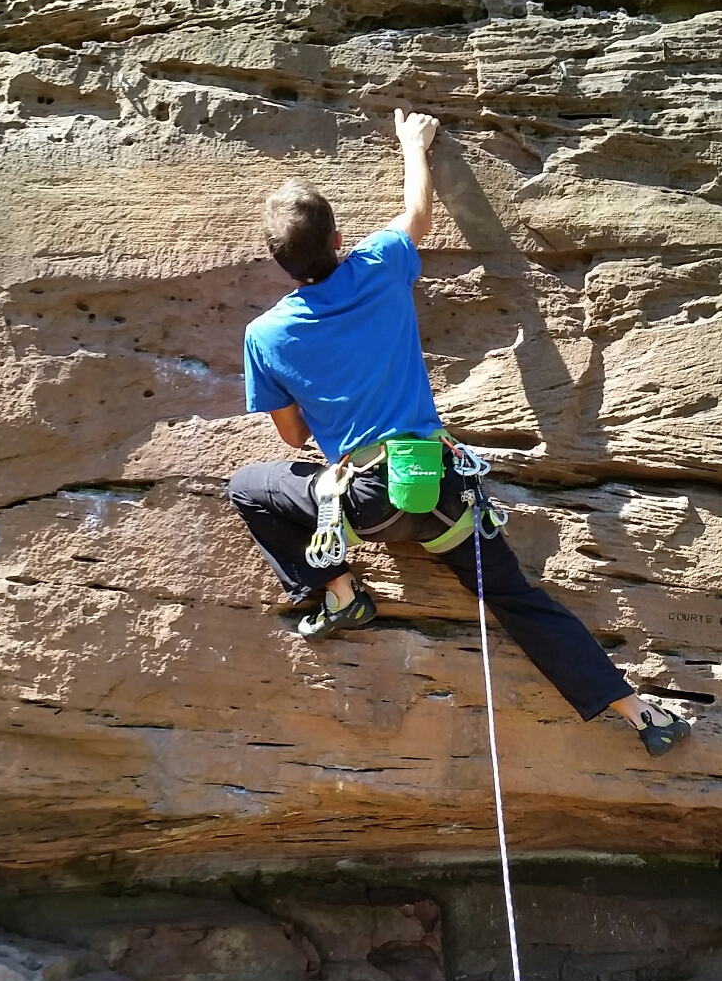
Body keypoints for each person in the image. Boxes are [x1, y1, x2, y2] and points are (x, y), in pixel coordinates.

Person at [228, 109, 691, 757]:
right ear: (338, 239)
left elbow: (291, 439)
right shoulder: (380, 264)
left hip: (363, 505)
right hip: (440, 490)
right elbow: (417, 214)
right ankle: (642, 715)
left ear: (280, 263)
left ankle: (338, 592)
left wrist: (320, 392)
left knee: (248, 487)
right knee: (517, 600)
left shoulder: (265, 336)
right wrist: (413, 145)